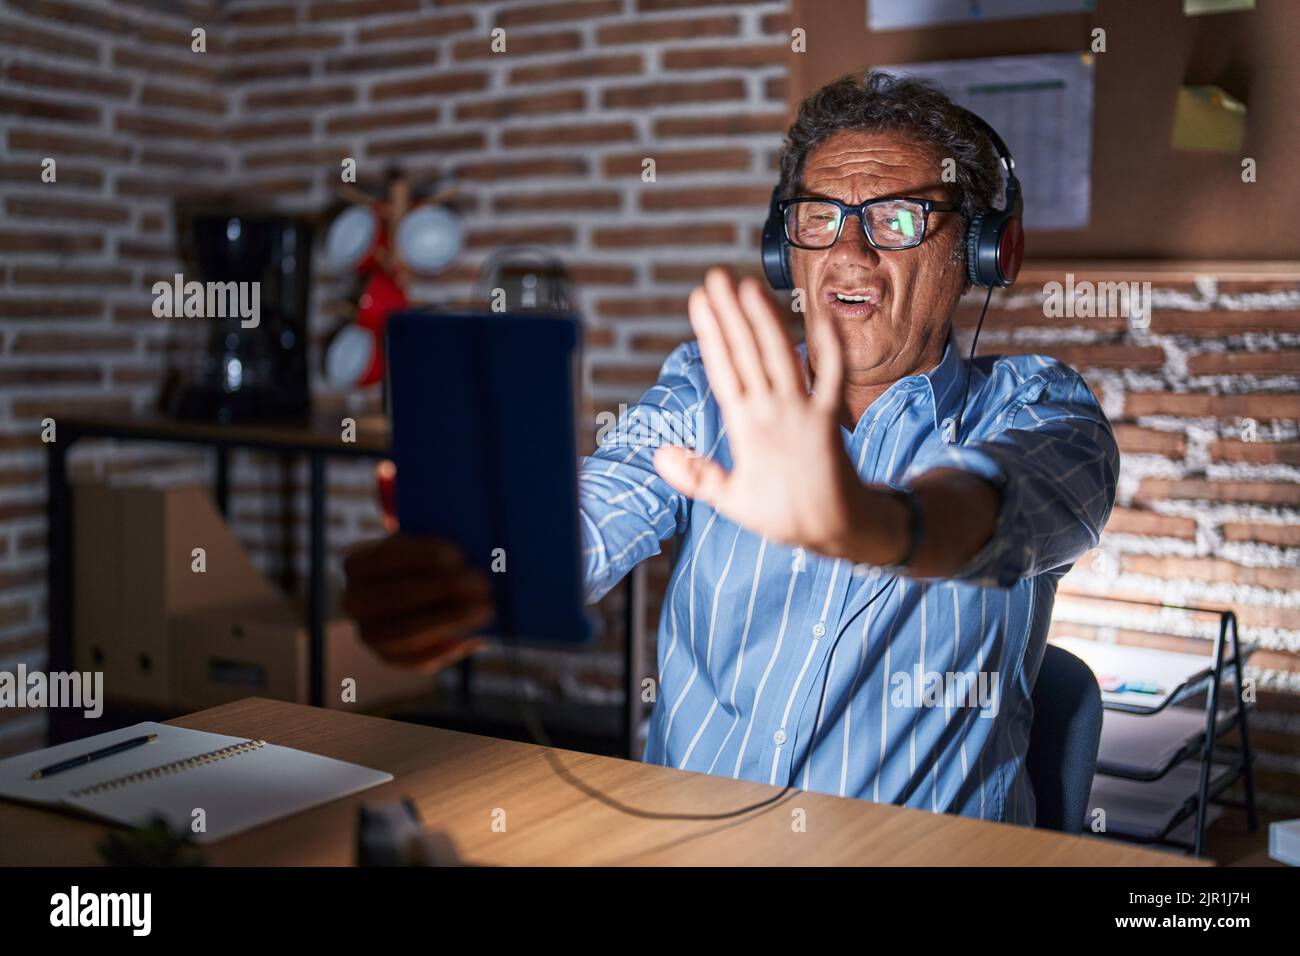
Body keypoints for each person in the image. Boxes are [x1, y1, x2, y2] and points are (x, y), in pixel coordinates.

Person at [343, 72, 1119, 826]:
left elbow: (994, 506)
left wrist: (873, 523)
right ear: (786, 249)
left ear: (983, 254)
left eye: (900, 218)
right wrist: (470, 587)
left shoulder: (1042, 410)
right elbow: (584, 517)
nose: (849, 253)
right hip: (687, 848)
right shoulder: (707, 393)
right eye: (820, 217)